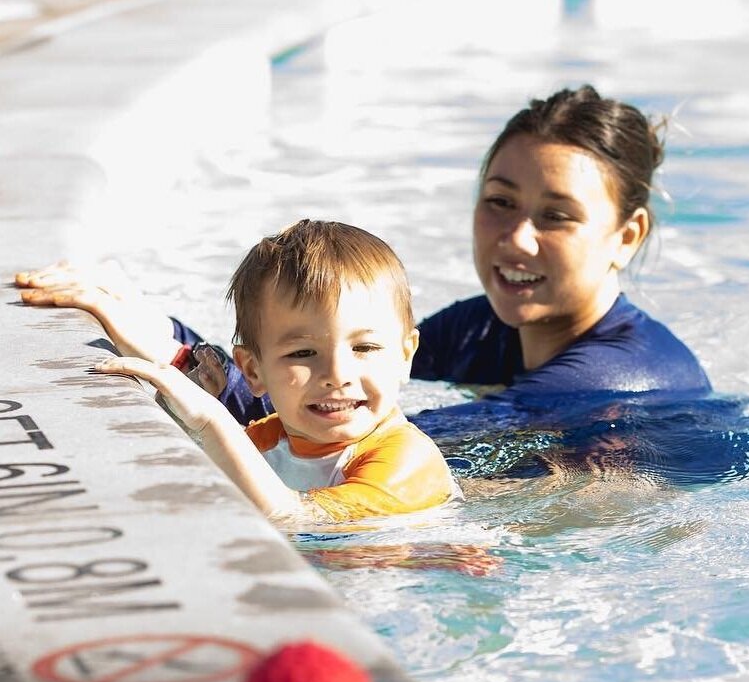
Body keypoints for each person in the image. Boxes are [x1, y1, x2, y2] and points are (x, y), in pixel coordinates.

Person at [18, 85, 711, 429]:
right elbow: (321, 394)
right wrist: (158, 327)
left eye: (556, 216)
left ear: (627, 235)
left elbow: (342, 447)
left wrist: (175, 353)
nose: (516, 238)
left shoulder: (611, 383)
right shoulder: (485, 329)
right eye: (499, 201)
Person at [86, 219, 460, 524]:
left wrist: (209, 417)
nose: (336, 374)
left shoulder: (406, 459)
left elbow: (294, 517)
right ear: (252, 370)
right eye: (303, 352)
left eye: (364, 348)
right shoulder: (269, 438)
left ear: (405, 356)